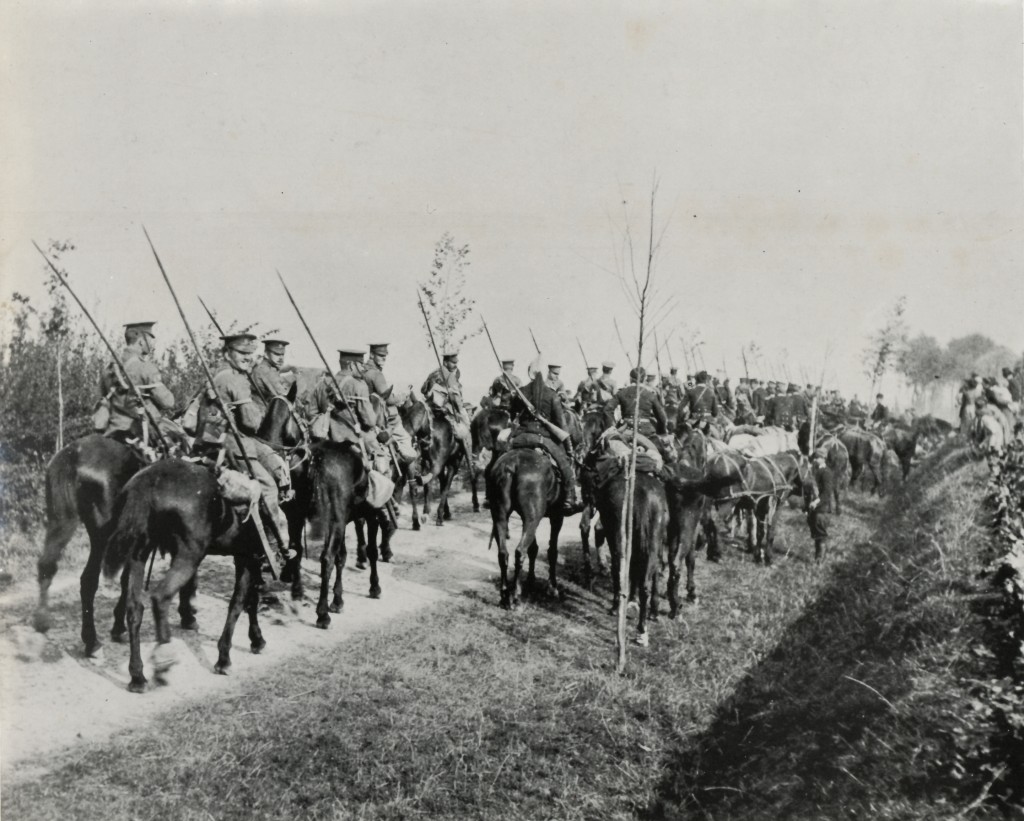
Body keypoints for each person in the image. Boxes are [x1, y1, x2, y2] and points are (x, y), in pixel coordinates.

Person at [197, 332, 293, 568]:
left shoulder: (222, 373)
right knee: (268, 487)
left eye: (250, 354)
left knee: (274, 460)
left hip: (226, 437)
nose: (247, 358)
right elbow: (251, 423)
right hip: (230, 441)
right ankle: (275, 546)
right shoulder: (234, 379)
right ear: (227, 352)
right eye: (241, 353)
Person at [508, 366, 582, 515]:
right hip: (542, 437)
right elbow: (561, 424)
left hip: (521, 437)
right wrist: (569, 449)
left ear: (530, 374)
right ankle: (569, 498)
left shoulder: (521, 392)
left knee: (499, 456)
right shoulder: (551, 395)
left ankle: (492, 495)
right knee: (565, 466)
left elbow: (512, 414)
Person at [97, 321, 179, 446]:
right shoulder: (145, 368)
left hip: (111, 432)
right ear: (141, 341)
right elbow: (168, 402)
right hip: (140, 433)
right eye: (150, 338)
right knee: (177, 447)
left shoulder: (109, 369)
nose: (152, 343)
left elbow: (101, 398)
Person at [361, 342, 418, 463]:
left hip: (365, 414)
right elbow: (389, 399)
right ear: (372, 355)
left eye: (385, 356)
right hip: (380, 418)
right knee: (406, 439)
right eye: (381, 355)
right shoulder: (376, 374)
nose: (384, 358)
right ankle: (405, 472)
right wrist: (403, 396)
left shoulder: (362, 370)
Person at [311, 348, 378, 445]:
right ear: (352, 365)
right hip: (351, 441)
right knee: (381, 449)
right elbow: (370, 421)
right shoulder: (359, 386)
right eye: (361, 364)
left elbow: (311, 413)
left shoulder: (322, 384)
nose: (363, 368)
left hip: (324, 439)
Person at [250, 338, 294, 419]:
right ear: (266, 354)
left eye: (282, 354)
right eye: (276, 354)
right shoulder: (265, 370)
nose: (281, 358)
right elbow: (283, 396)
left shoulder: (268, 368)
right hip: (264, 417)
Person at [803, 452, 835, 563]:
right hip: (816, 508)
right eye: (814, 458)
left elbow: (827, 492)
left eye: (816, 458)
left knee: (821, 533)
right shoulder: (816, 471)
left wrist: (816, 502)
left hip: (822, 508)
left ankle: (819, 560)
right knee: (817, 532)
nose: (814, 460)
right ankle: (818, 558)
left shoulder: (826, 472)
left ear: (823, 458)